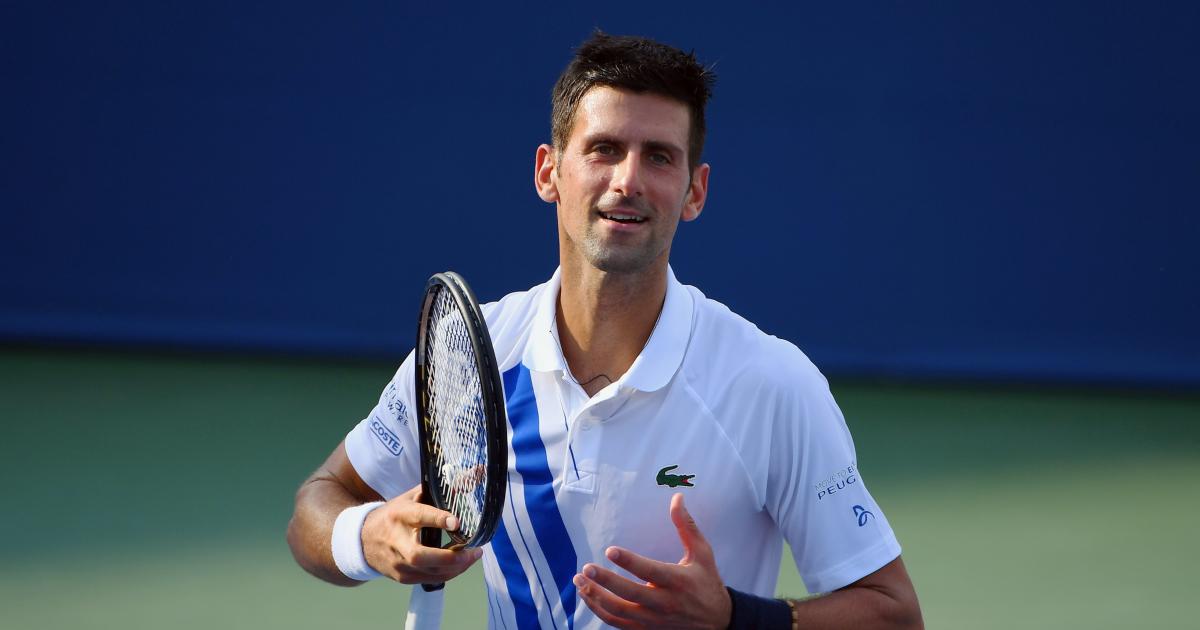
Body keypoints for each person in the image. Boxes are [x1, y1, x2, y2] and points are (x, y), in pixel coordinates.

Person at [287, 31, 923, 629]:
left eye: (660, 157)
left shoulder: (772, 386)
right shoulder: (473, 355)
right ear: (549, 172)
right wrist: (367, 536)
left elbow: (892, 611)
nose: (628, 180)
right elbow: (319, 504)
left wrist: (735, 618)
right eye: (603, 149)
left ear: (695, 191)